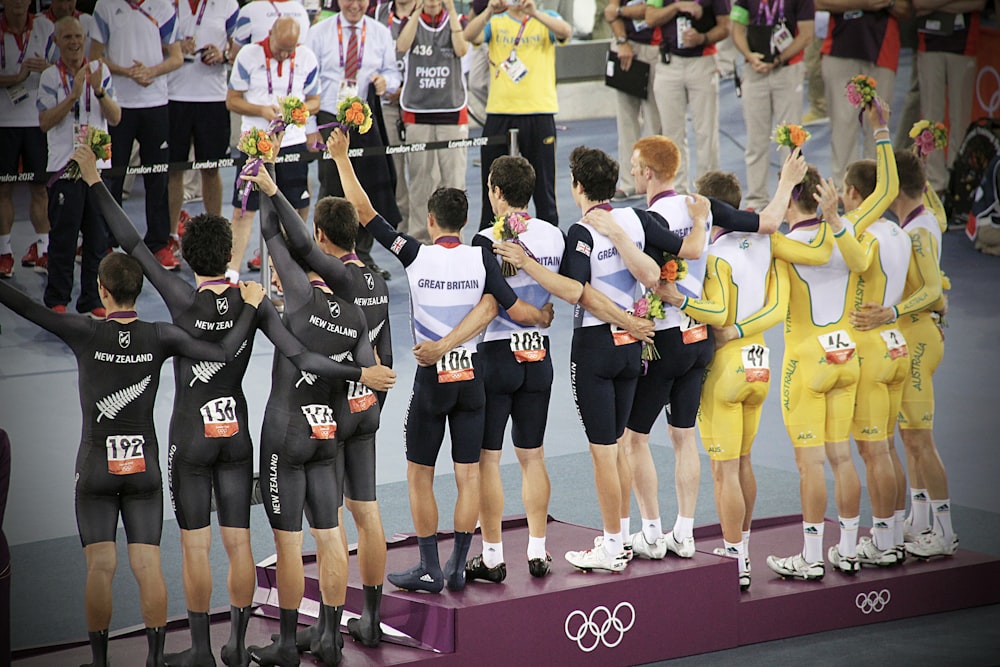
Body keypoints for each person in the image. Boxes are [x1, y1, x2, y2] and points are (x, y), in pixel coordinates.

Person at [79, 149, 387, 667]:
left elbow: (131, 241)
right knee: (244, 544)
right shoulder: (256, 302)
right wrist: (361, 373)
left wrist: (93, 181)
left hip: (192, 439)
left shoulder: (179, 298)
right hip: (241, 439)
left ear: (188, 256)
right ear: (228, 255)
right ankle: (240, 645)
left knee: (197, 548)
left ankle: (201, 648)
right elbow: (300, 352)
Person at [0, 247, 265, 667]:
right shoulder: (160, 335)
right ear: (139, 292)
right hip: (145, 469)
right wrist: (249, 308)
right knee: (148, 564)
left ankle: (101, 662)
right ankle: (156, 659)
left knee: (101, 567)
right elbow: (222, 353)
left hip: (95, 470)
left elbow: (24, 305)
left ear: (102, 292)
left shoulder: (84, 331)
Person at [329, 127, 553, 593]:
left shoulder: (415, 255)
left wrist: (342, 160)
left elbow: (366, 213)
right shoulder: (482, 256)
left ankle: (429, 565)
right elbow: (508, 308)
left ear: (431, 221)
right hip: (473, 381)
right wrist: (545, 315)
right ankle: (457, 565)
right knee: (468, 473)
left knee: (420, 474)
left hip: (432, 383)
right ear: (465, 219)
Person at [240, 155, 396, 665]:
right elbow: (375, 364)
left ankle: (288, 643)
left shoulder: (303, 295)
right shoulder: (366, 295)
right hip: (354, 415)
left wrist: (265, 185)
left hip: (301, 425)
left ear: (324, 242)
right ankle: (345, 628)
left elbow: (279, 239)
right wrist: (367, 392)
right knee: (351, 524)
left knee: (292, 542)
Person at [656, 155, 830, 590]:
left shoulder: (711, 252)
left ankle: (735, 557)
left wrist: (679, 300)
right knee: (745, 461)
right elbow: (776, 307)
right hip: (760, 363)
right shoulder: (768, 245)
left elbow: (715, 313)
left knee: (723, 471)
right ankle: (743, 547)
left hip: (725, 368)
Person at [766, 99, 897, 580]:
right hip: (846, 356)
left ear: (792, 199)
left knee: (809, 465)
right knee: (843, 457)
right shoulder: (845, 233)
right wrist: (880, 128)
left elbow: (757, 228)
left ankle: (811, 556)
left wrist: (780, 185)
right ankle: (848, 546)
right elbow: (886, 196)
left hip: (807, 361)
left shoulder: (782, 244)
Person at [849, 149, 953, 559]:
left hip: (917, 338)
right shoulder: (926, 219)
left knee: (919, 442)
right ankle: (920, 520)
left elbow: (935, 294)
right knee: (909, 441)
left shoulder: (917, 234)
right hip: (913, 337)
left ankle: (945, 531)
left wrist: (889, 311)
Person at [822, 153, 913, 568]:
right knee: (889, 448)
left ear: (854, 194)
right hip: (896, 342)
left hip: (868, 348)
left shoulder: (861, 236)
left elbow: (841, 265)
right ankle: (893, 531)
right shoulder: (898, 232)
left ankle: (882, 540)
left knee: (873, 452)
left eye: (843, 189)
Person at [306, 0, 403, 280]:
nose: (355, 5)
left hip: (364, 119)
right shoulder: (319, 32)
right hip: (329, 115)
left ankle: (361, 254)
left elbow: (393, 74)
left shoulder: (379, 32)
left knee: (366, 186)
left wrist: (387, 83)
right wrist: (311, 126)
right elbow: (309, 83)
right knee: (332, 187)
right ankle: (325, 257)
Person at [37, 16, 120, 318]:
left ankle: (92, 299)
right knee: (63, 237)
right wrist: (73, 95)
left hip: (97, 169)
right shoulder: (49, 77)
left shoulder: (101, 71)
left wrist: (98, 92)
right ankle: (57, 299)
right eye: (67, 37)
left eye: (78, 36)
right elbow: (44, 122)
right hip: (65, 168)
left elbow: (115, 118)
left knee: (97, 239)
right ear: (57, 42)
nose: (74, 42)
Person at [90, 0, 183, 270]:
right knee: (112, 176)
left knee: (158, 177)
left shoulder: (164, 7)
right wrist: (127, 72)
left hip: (156, 104)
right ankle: (106, 241)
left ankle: (158, 244)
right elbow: (95, 56)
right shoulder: (105, 6)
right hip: (117, 105)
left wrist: (151, 71)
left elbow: (176, 56)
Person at [464, 0, 572, 229]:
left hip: (539, 112)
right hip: (500, 112)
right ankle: (489, 239)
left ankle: (548, 237)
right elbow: (469, 35)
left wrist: (534, 13)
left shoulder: (546, 17)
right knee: (493, 185)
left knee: (543, 186)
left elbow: (565, 32)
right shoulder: (495, 21)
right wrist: (489, 10)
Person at [226, 16, 321, 279]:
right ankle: (231, 275)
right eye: (281, 48)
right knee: (244, 208)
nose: (285, 55)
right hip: (255, 144)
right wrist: (261, 110)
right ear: (270, 35)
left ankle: (291, 273)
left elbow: (315, 100)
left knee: (294, 210)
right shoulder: (248, 55)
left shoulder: (307, 58)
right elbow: (232, 101)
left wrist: (298, 111)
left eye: (290, 50)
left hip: (292, 143)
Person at [165, 0, 239, 257]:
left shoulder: (227, 5)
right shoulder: (167, 4)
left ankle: (216, 234)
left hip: (213, 98)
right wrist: (174, 48)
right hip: (175, 96)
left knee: (211, 169)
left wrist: (224, 56)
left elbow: (239, 48)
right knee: (175, 169)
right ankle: (172, 235)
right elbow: (149, 45)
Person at [397, 0, 470, 245]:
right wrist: (417, 12)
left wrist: (451, 11)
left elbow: (461, 50)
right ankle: (419, 240)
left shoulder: (456, 22)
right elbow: (402, 46)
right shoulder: (411, 22)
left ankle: (455, 238)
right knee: (420, 182)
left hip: (451, 112)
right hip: (418, 113)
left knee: (454, 182)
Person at [730, 0, 814, 210]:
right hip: (754, 70)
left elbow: (806, 34)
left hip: (787, 69)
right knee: (755, 139)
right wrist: (749, 56)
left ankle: (792, 199)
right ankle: (756, 199)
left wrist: (778, 59)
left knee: (791, 138)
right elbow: (737, 29)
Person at [815, 0, 908, 184]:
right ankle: (844, 190)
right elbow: (817, 2)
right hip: (839, 48)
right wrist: (864, 3)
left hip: (883, 50)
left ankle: (875, 188)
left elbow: (906, 9)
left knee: (877, 124)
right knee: (843, 125)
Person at [644, 0, 731, 193]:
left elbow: (725, 27)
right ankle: (676, 191)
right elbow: (650, 17)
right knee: (671, 133)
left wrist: (703, 38)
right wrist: (676, 7)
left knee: (706, 131)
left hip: (702, 61)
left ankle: (709, 192)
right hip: (669, 63)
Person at [0, 0, 55, 278]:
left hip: (37, 122)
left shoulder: (45, 27)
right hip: (3, 123)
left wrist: (49, 68)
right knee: (3, 190)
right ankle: (4, 253)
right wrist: (17, 76)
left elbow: (65, 68)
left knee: (40, 189)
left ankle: (44, 250)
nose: (19, 2)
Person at [914, 0, 984, 195]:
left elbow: (978, 3)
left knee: (960, 118)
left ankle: (958, 179)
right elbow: (919, 4)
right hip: (928, 44)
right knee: (930, 118)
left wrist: (934, 5)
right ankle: (935, 181)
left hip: (964, 44)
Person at [603, 0, 662, 201]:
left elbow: (650, 12)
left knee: (656, 122)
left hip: (654, 48)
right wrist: (621, 41)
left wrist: (621, 10)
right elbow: (611, 12)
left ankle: (656, 181)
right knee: (626, 120)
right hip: (625, 46)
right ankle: (630, 182)